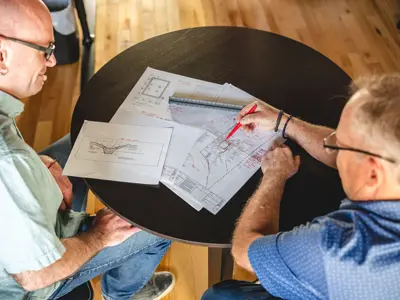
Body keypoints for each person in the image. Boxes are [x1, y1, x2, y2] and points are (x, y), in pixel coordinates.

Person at [0, 1, 174, 299]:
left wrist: (36, 179)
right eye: (45, 50)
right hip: (41, 276)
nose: (52, 62)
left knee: (87, 139)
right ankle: (120, 294)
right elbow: (35, 275)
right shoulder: (8, 162)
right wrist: (98, 236)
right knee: (158, 228)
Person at [202, 73, 400, 300]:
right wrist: (284, 122)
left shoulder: (336, 249)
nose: (329, 143)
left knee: (218, 296)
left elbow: (244, 251)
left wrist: (274, 175)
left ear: (373, 174)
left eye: (340, 144)